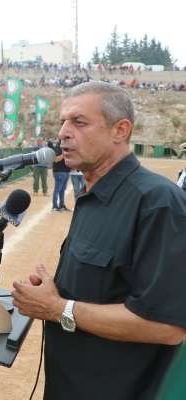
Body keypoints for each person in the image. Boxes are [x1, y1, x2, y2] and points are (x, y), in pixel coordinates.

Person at [12, 82, 186, 400]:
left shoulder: (157, 202)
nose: (63, 132)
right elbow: (105, 287)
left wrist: (57, 307)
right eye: (63, 121)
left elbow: (166, 326)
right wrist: (57, 291)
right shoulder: (92, 194)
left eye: (79, 122)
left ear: (120, 130)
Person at [50, 139, 71, 211]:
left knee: (63, 189)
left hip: (66, 171)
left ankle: (62, 205)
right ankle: (55, 206)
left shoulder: (67, 148)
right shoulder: (58, 147)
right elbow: (55, 159)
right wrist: (64, 154)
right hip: (59, 171)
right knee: (58, 189)